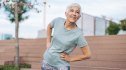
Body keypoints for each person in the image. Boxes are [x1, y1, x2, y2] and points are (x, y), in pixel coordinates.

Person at [42, 3, 91, 70]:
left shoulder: (78, 34)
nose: (74, 13)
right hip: (46, 61)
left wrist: (71, 58)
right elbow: (49, 26)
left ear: (79, 16)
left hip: (61, 66)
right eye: (71, 10)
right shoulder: (58, 20)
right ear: (66, 13)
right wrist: (48, 41)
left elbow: (87, 54)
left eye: (77, 12)